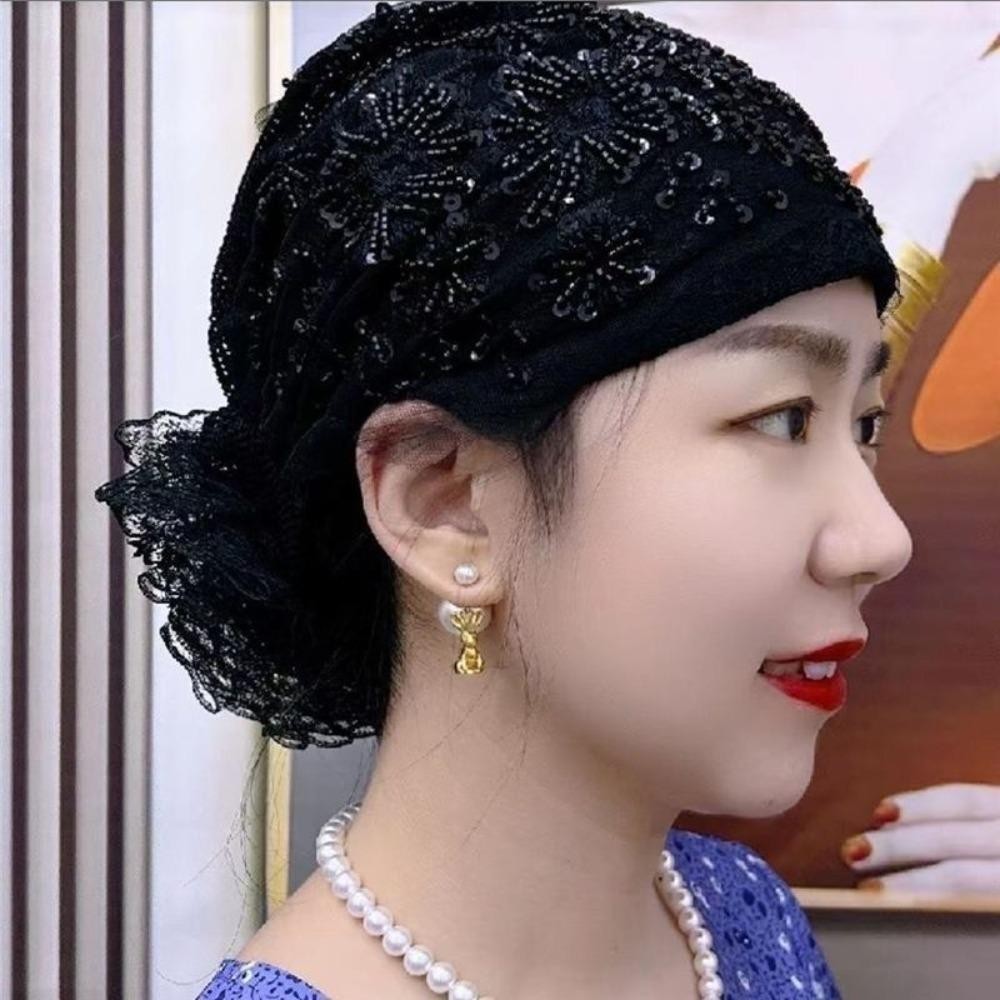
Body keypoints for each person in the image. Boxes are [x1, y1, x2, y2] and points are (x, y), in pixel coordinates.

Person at [94, 2, 913, 997]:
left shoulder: (742, 915)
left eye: (864, 424)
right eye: (782, 418)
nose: (880, 538)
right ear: (446, 502)